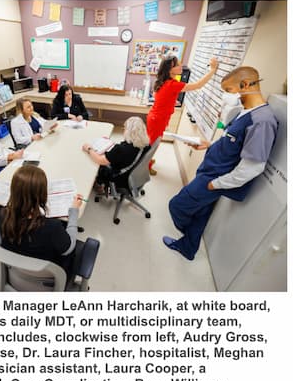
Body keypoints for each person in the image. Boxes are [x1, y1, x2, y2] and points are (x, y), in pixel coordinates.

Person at [163, 66, 278, 261]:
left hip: (215, 178)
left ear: (245, 85)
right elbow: (231, 141)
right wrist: (209, 145)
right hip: (211, 171)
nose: (226, 97)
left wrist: (215, 184)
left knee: (177, 205)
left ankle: (187, 237)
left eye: (229, 91)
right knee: (201, 213)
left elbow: (253, 167)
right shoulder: (245, 112)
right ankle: (188, 248)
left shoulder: (262, 121)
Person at [0, 165, 84, 284]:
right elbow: (68, 249)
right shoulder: (52, 227)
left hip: (15, 273)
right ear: (42, 195)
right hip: (48, 279)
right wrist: (74, 211)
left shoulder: (3, 214)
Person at [147, 55, 218, 175]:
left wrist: (169, 101)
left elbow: (159, 96)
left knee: (153, 142)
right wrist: (212, 70)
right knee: (153, 144)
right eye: (178, 65)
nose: (182, 66)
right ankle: (146, 165)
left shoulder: (165, 82)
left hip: (155, 117)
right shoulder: (172, 84)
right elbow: (198, 85)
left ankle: (147, 160)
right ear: (170, 68)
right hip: (158, 119)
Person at [82, 116, 150, 193]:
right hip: (134, 173)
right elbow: (122, 153)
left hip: (120, 178)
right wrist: (111, 145)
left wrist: (89, 149)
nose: (123, 130)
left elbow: (100, 160)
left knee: (96, 164)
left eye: (125, 128)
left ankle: (99, 185)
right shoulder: (146, 145)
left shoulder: (120, 149)